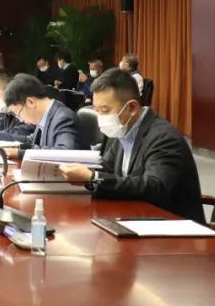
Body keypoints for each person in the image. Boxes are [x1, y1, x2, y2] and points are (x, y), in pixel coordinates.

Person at [59, 68, 203, 222]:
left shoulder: (163, 138)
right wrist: (82, 172)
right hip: (135, 217)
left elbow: (154, 187)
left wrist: (93, 178)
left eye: (105, 110)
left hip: (172, 226)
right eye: (97, 110)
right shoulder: (122, 130)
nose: (100, 117)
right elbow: (106, 167)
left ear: (132, 107)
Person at [1, 73, 81, 150]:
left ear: (30, 102)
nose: (21, 119)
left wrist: (19, 153)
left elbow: (65, 151)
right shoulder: (44, 116)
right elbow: (31, 141)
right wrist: (0, 139)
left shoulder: (63, 118)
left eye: (19, 113)